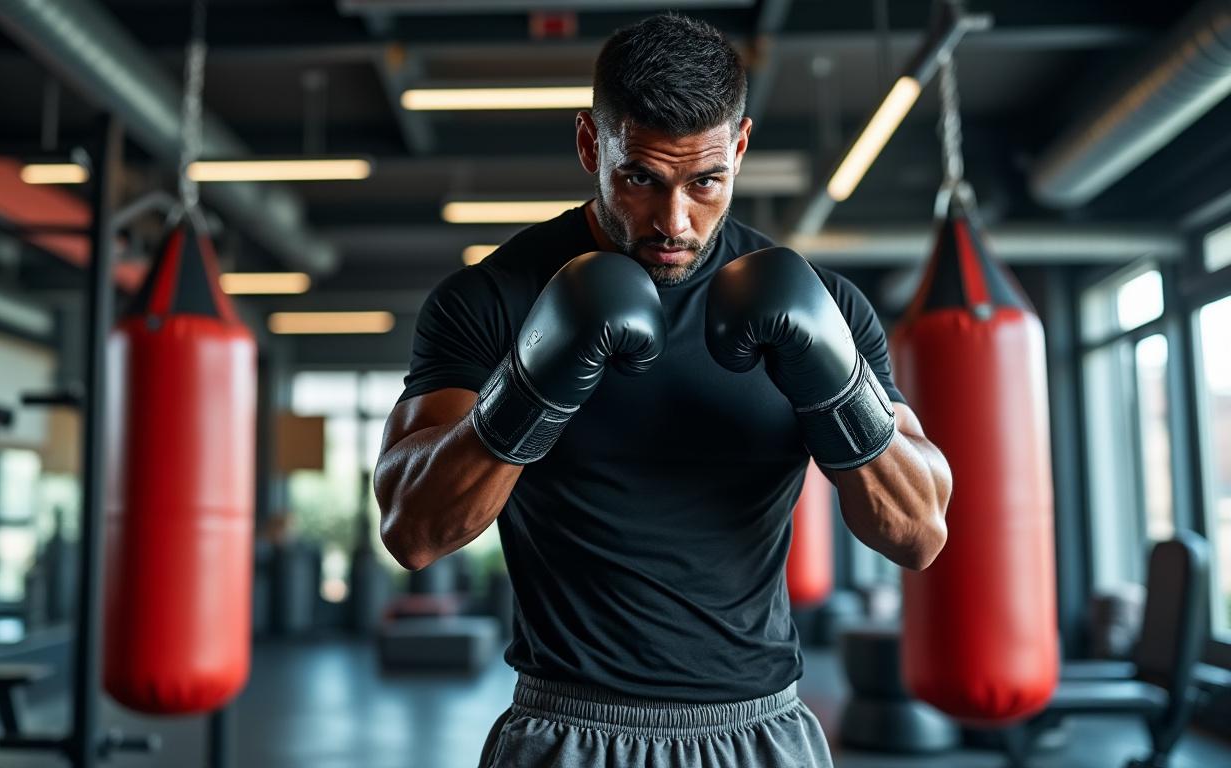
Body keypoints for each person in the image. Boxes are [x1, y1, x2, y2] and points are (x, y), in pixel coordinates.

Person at [374, 13, 951, 768]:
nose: (674, 221)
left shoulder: (825, 307)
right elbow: (412, 532)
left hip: (761, 732)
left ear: (739, 148)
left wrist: (839, 389)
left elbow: (919, 533)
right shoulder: (492, 300)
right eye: (641, 178)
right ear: (592, 144)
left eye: (705, 181)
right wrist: (530, 387)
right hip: (571, 731)